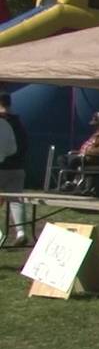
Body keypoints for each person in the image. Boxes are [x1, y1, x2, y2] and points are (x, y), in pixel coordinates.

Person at [0, 92, 28, 245]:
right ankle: (21, 232)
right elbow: (24, 145)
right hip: (17, 167)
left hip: (2, 166)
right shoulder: (18, 122)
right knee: (16, 200)